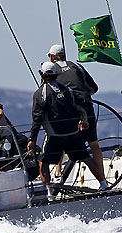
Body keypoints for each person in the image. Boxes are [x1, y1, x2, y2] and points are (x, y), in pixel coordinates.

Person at [27, 62, 107, 198]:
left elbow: (37, 119)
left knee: (43, 162)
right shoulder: (67, 90)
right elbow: (79, 108)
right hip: (73, 134)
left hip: (55, 136)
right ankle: (104, 185)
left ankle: (49, 193)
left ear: (42, 75)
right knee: (86, 157)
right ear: (56, 75)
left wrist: (32, 139)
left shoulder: (40, 93)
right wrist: (84, 120)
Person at [47, 44, 105, 183]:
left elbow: (49, 93)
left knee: (59, 137)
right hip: (87, 104)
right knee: (94, 144)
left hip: (70, 109)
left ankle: (57, 174)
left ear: (52, 57)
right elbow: (93, 88)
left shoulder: (52, 69)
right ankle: (102, 179)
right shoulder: (76, 66)